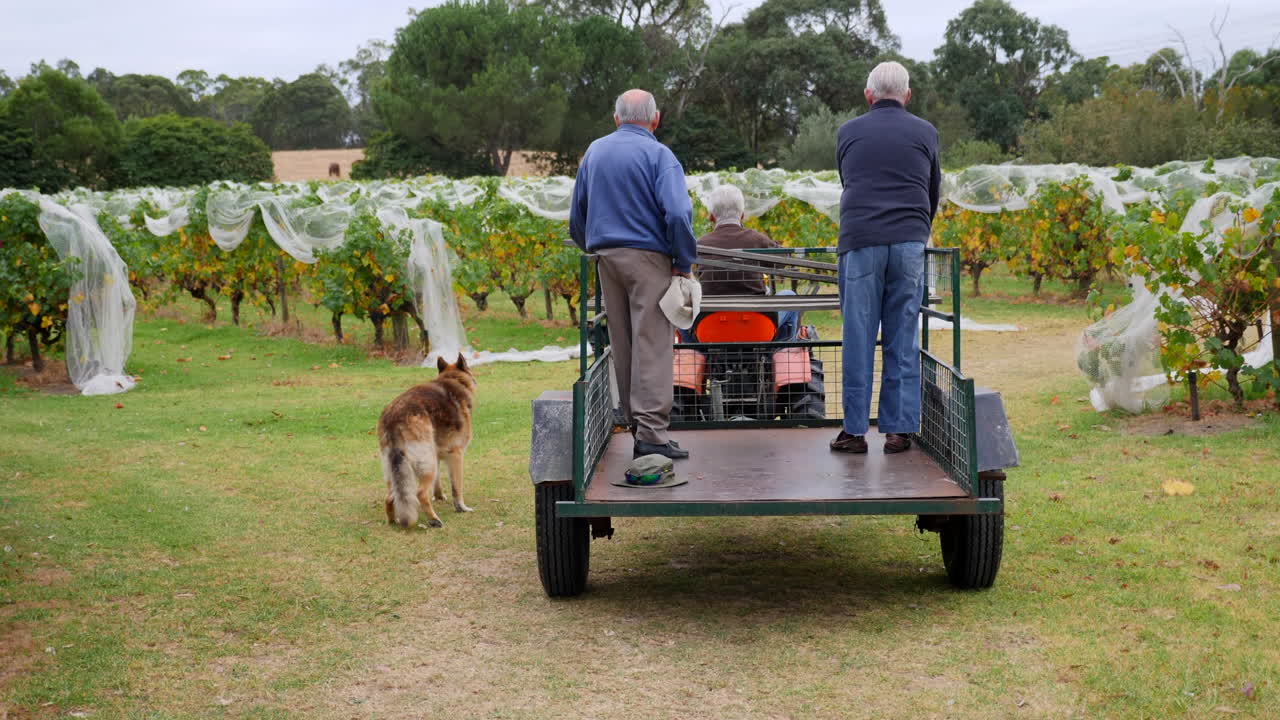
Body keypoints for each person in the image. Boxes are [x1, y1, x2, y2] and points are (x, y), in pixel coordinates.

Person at [569, 89, 697, 461]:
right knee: (652, 344)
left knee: (623, 344)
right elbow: (678, 213)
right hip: (648, 258)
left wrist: (593, 246)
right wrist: (683, 260)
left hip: (606, 258)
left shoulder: (594, 152)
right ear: (656, 119)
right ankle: (652, 434)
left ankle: (637, 427)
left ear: (616, 119)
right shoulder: (660, 155)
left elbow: (577, 214)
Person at [829, 61, 940, 455]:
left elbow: (847, 180)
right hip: (909, 241)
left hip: (861, 240)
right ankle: (898, 430)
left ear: (868, 95)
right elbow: (932, 190)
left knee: (858, 337)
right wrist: (916, 228)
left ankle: (854, 431)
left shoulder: (848, 132)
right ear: (907, 95)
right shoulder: (926, 131)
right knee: (902, 336)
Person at [690, 184, 800, 342]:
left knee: (680, 308)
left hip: (709, 328)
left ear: (711, 217)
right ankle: (777, 350)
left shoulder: (700, 244)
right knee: (790, 296)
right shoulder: (756, 239)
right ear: (742, 215)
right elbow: (782, 262)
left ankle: (695, 352)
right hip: (759, 326)